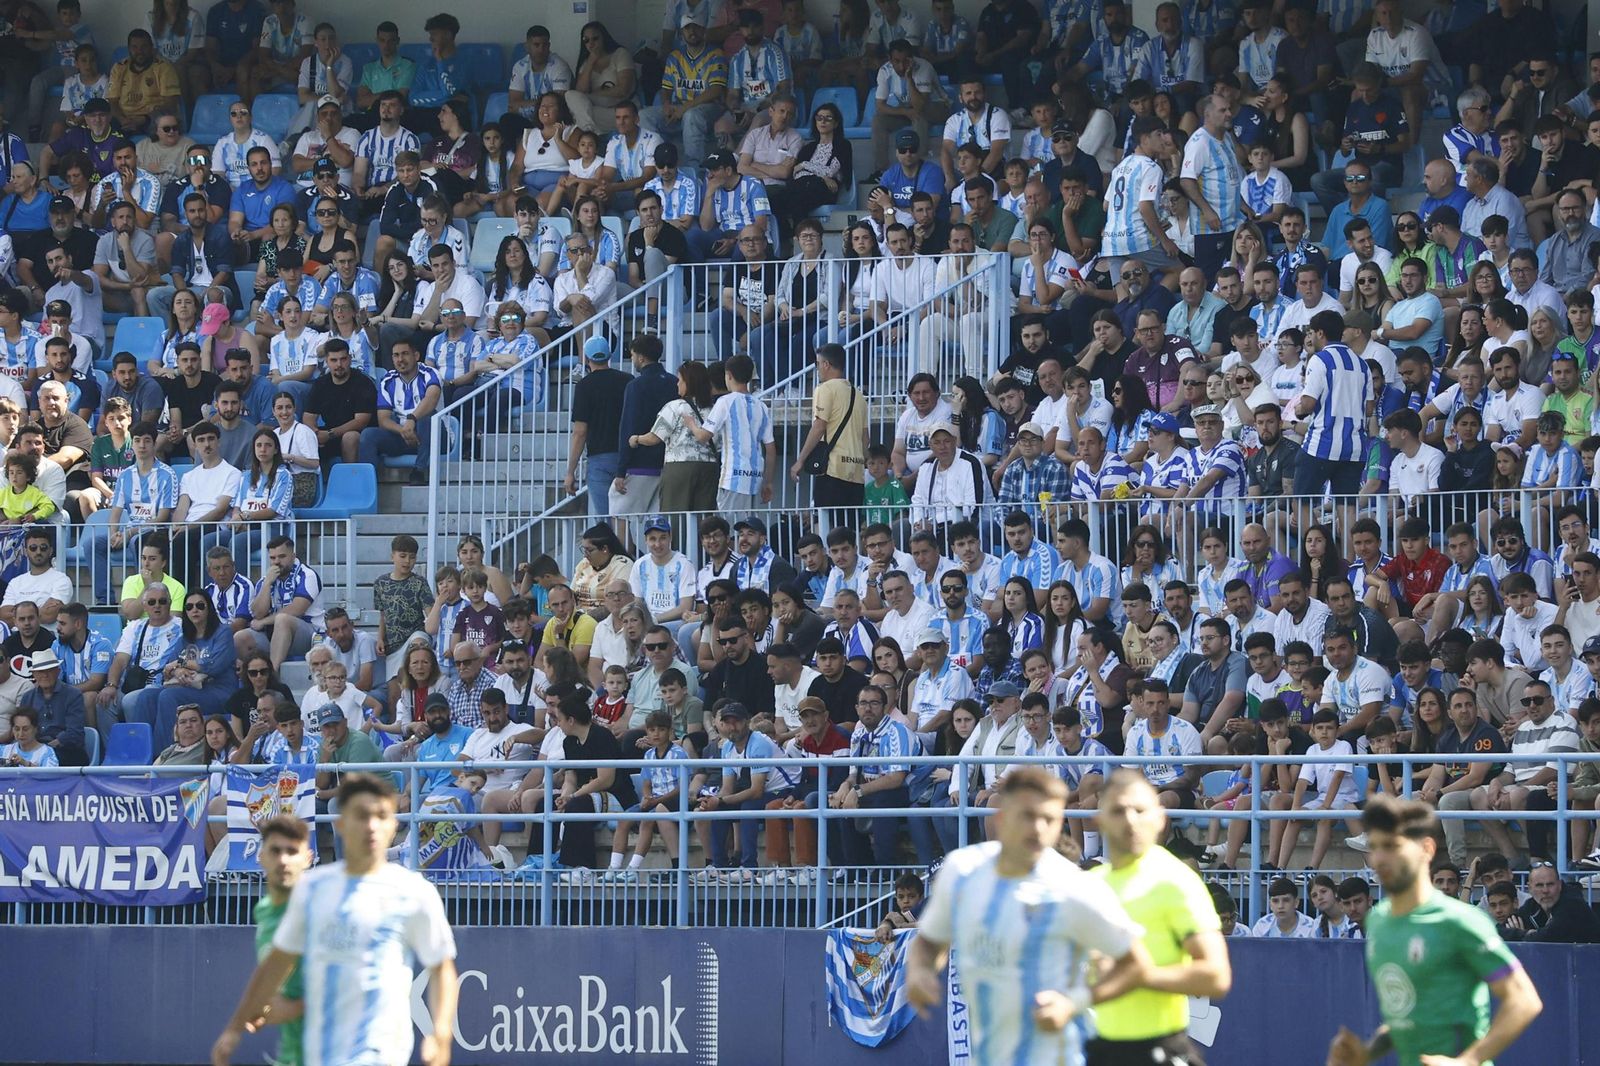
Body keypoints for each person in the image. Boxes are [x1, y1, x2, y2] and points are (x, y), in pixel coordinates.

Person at [211, 774, 458, 1066]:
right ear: (340, 824)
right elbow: (276, 963)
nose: (371, 825)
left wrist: (441, 1035)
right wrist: (234, 1029)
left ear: (393, 825)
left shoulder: (414, 891)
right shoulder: (312, 890)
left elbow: (441, 967)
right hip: (320, 1054)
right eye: (361, 815)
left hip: (380, 1054)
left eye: (381, 816)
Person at [906, 768, 1148, 1066]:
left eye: (1049, 819)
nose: (1038, 828)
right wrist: (919, 971)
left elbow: (1135, 964)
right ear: (1001, 818)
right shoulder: (962, 871)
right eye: (1027, 816)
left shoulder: (1076, 886)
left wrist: (1073, 1002)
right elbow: (929, 941)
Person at [1325, 795, 1542, 1066]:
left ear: (1426, 849)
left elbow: (1524, 1000)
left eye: (1392, 846)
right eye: (1375, 847)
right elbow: (1408, 1016)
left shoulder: (1460, 921)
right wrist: (1366, 1053)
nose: (1379, 858)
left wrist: (1468, 1061)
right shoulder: (1379, 921)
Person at [1091, 769, 1232, 1065]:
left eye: (1139, 810)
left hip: (1160, 1046)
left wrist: (1142, 976)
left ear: (1159, 818)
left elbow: (1216, 976)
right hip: (1098, 1048)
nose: (1130, 820)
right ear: (1100, 819)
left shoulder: (1176, 882)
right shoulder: (1089, 886)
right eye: (1118, 811)